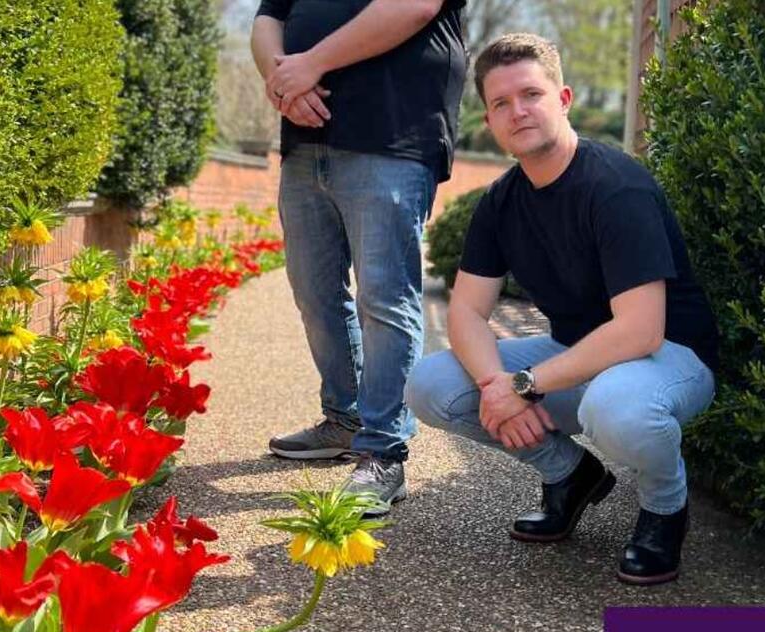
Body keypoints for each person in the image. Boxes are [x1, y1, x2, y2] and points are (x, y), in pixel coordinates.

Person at [404, 34, 719, 584]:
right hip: (577, 353)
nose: (518, 111)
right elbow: (467, 314)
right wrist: (495, 386)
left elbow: (641, 331)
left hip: (670, 357)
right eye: (501, 103)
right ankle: (571, 475)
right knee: (432, 385)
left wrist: (523, 386)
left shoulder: (616, 188)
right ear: (489, 119)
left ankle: (665, 509)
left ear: (563, 98)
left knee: (616, 408)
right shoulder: (500, 202)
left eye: (531, 94)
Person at [251, 0, 467, 515]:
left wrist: (311, 64)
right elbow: (268, 17)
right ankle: (346, 418)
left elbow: (415, 7)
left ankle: (383, 451)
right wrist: (283, 82)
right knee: (313, 290)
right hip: (306, 141)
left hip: (393, 136)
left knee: (384, 298)